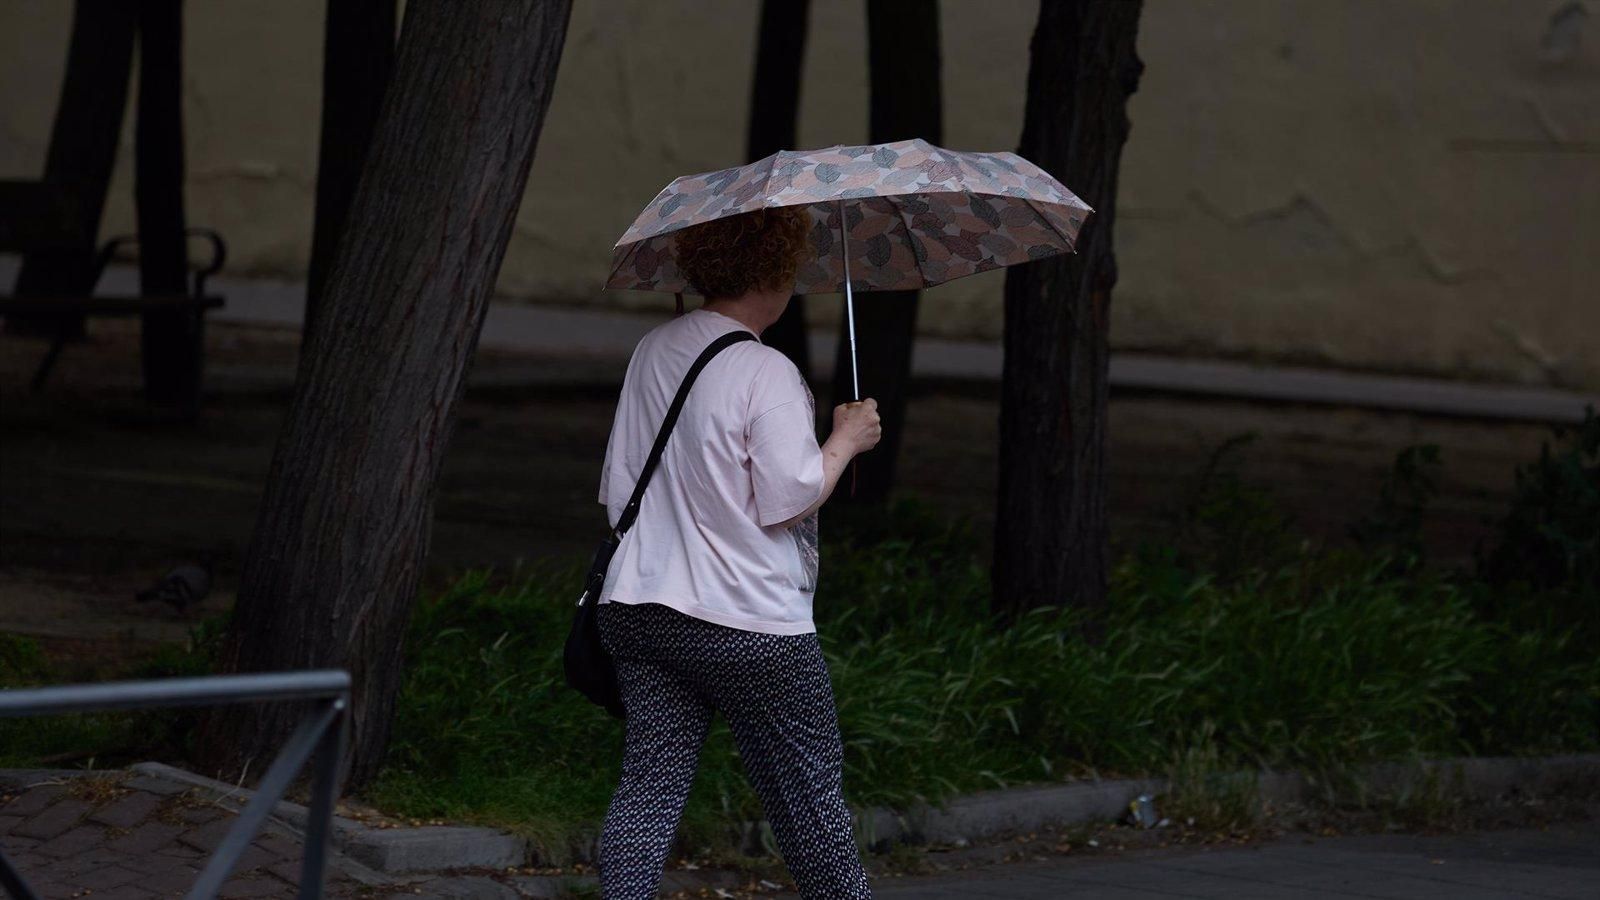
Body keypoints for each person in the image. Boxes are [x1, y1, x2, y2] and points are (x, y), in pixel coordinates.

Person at [594, 206, 880, 899]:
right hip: (748, 623)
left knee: (649, 786)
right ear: (773, 275)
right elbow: (790, 496)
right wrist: (846, 440)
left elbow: (614, 493)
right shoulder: (764, 370)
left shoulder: (652, 351)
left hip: (638, 607)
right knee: (809, 801)